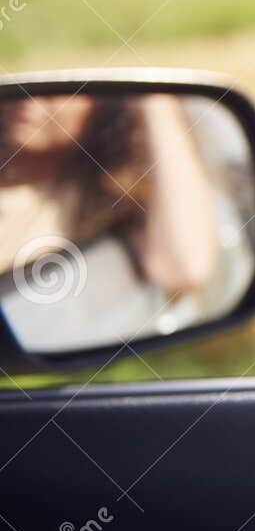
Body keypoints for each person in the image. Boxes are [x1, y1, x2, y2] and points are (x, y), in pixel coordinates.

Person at [0, 94, 220, 352]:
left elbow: (184, 265)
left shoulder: (104, 210)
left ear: (104, 107)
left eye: (63, 87)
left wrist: (156, 99)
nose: (30, 98)